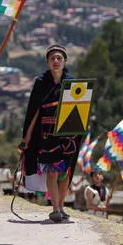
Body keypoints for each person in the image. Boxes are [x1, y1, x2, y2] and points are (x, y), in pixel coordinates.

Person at [21, 44, 80, 222]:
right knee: (52, 171)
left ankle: (62, 206)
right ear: (47, 62)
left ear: (65, 61)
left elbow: (79, 110)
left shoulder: (72, 83)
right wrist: (27, 136)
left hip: (68, 136)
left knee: (65, 173)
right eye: (52, 58)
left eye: (59, 58)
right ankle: (54, 208)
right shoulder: (41, 83)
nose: (56, 61)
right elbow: (34, 112)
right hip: (46, 136)